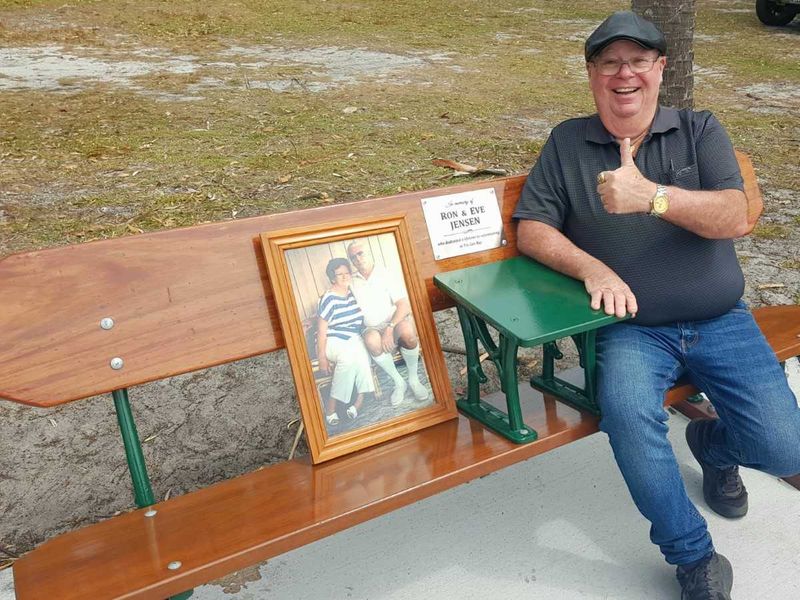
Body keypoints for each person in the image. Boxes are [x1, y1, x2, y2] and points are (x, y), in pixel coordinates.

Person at [513, 11, 800, 600]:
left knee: (784, 448)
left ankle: (712, 446)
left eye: (638, 61)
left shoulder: (699, 130)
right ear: (592, 73)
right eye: (610, 62)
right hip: (633, 329)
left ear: (660, 68)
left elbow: (736, 216)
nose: (625, 75)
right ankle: (693, 556)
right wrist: (592, 266)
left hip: (721, 319)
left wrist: (654, 197)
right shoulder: (568, 142)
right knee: (625, 413)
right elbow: (532, 228)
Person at [346, 240, 430, 406]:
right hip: (371, 327)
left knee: (408, 333)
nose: (357, 259)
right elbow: (338, 300)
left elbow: (403, 305)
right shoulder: (351, 281)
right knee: (371, 341)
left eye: (360, 253)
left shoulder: (386, 273)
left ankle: (413, 380)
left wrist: (390, 329)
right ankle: (399, 382)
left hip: (394, 322)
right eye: (353, 257)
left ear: (369, 253)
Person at [316, 258, 374, 425]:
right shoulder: (328, 298)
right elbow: (321, 332)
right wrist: (322, 358)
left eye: (346, 273)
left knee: (363, 359)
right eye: (339, 274)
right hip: (333, 340)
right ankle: (331, 408)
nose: (344, 276)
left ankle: (357, 404)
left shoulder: (353, 293)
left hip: (354, 338)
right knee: (348, 359)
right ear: (332, 278)